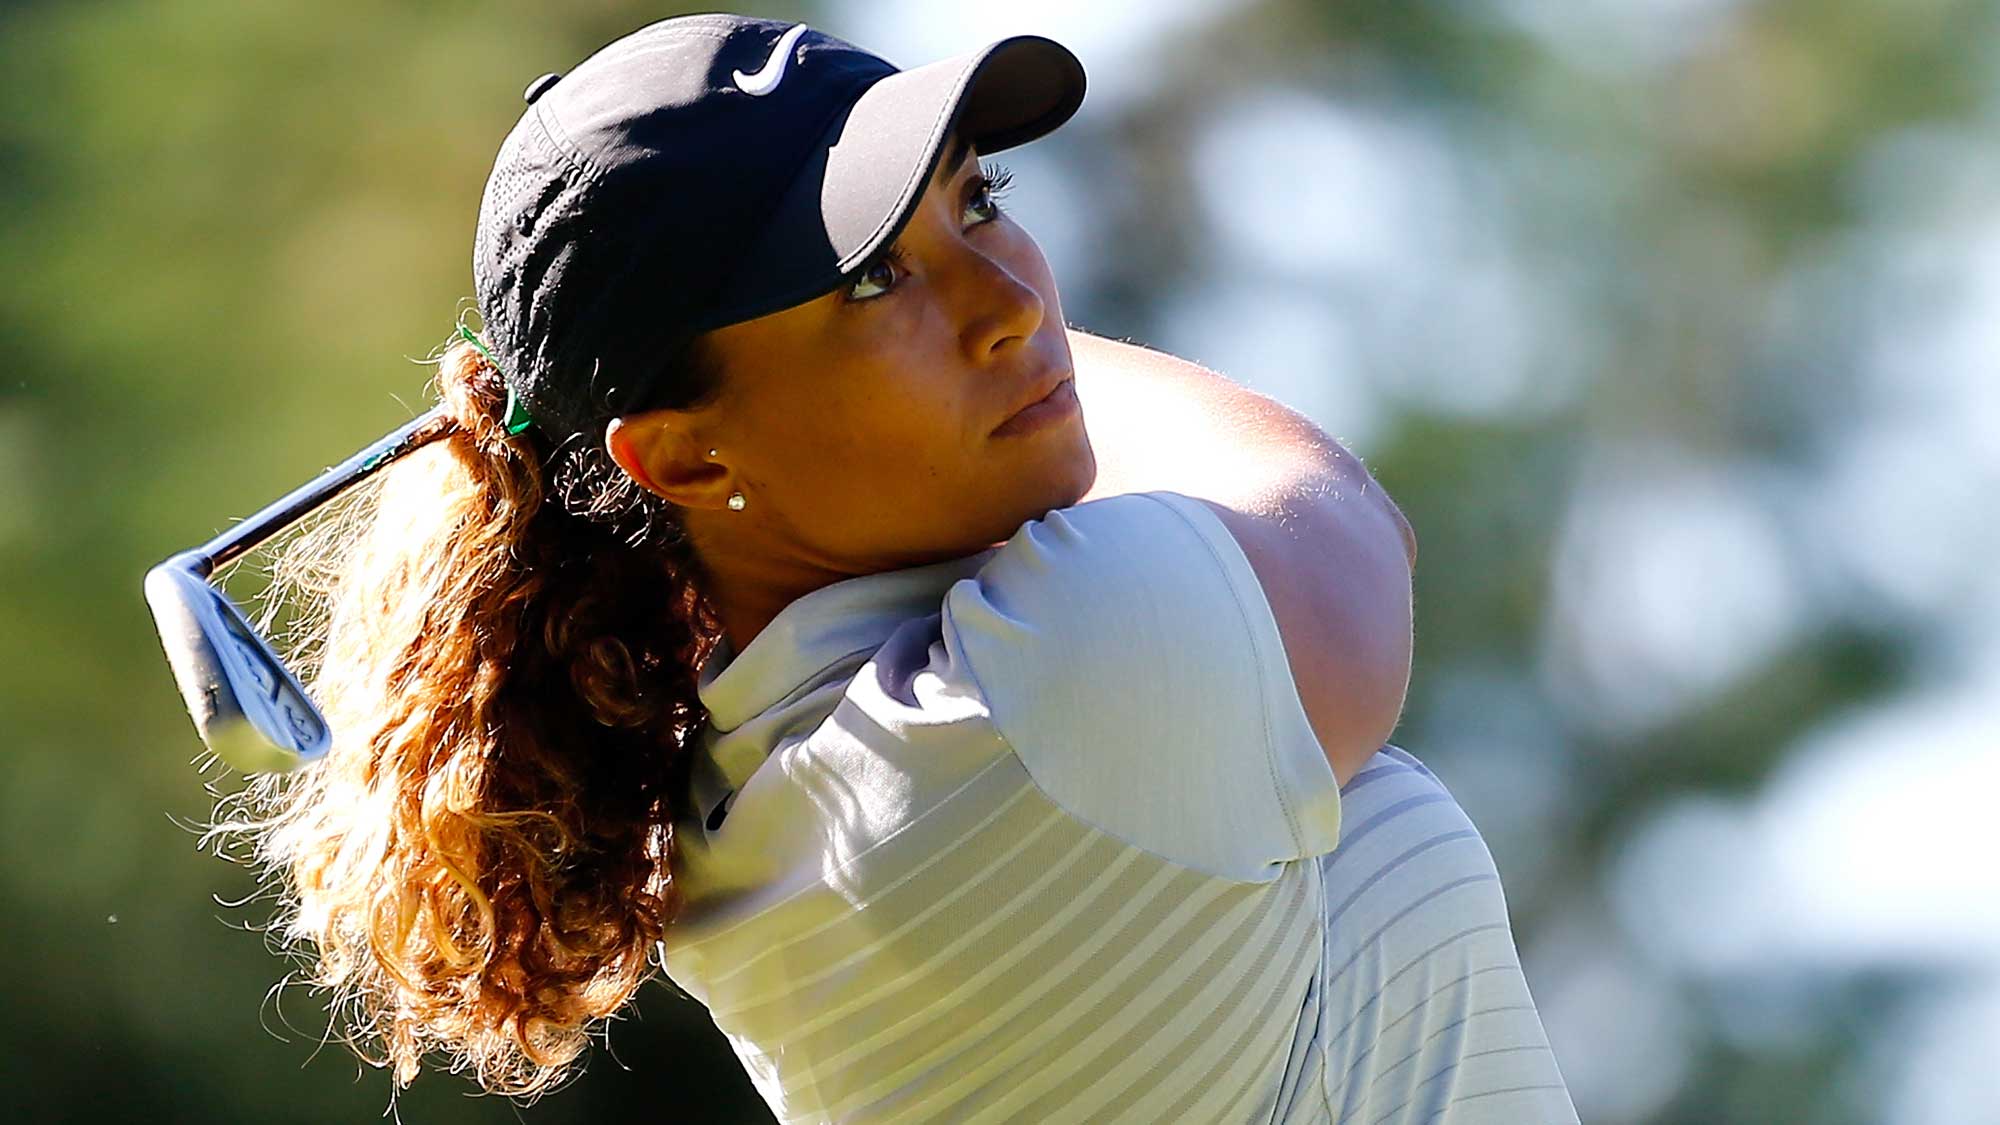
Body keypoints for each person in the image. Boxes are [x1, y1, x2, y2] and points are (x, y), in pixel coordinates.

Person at [213, 13, 1578, 1123]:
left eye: (979, 200)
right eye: (874, 277)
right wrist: (1033, 357)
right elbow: (1344, 524)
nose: (1014, 299)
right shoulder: (1048, 682)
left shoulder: (750, 803)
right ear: (679, 454)